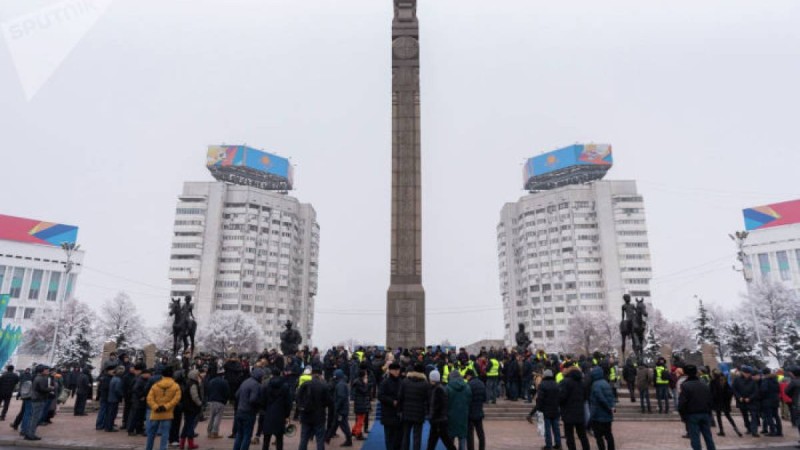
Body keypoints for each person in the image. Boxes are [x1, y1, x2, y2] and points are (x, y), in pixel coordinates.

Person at [678, 365, 716, 450]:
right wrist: (709, 412)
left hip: (692, 415)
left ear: (685, 373)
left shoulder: (685, 385)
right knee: (708, 437)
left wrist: (683, 416)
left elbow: (682, 403)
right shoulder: (704, 384)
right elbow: (710, 399)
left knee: (695, 439)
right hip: (705, 413)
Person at [146, 366, 181, 450]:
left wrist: (155, 407)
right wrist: (166, 407)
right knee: (165, 434)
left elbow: (149, 398)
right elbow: (176, 399)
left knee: (151, 433)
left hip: (155, 412)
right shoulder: (176, 386)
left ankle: (148, 448)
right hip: (167, 413)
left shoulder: (155, 385)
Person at [298, 367, 331, 450]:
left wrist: (301, 407)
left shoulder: (305, 384)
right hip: (319, 416)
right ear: (320, 375)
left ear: (311, 374)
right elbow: (329, 401)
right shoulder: (323, 386)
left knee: (304, 439)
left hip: (306, 415)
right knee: (320, 440)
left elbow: (298, 397)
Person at [398, 363, 430, 450]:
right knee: (417, 436)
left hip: (406, 412)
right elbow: (428, 399)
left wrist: (400, 410)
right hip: (419, 413)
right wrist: (427, 412)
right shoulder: (425, 384)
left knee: (406, 435)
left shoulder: (405, 381)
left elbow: (400, 397)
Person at [528, 369, 561, 450]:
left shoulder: (542, 385)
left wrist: (537, 410)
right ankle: (558, 444)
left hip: (546, 410)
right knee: (556, 428)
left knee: (547, 429)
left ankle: (548, 445)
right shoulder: (556, 384)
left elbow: (540, 399)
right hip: (556, 409)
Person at [233, 368, 265, 450]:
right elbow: (253, 399)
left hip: (240, 410)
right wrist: (259, 405)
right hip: (248, 412)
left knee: (239, 434)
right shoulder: (256, 385)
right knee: (247, 435)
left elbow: (236, 395)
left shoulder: (245, 382)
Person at [260, 368, 290, 450]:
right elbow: (288, 402)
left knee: (266, 439)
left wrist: (264, 409)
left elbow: (262, 400)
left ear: (272, 375)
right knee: (279, 439)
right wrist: (287, 414)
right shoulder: (285, 386)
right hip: (280, 414)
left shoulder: (267, 385)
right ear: (280, 374)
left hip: (268, 413)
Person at [427, 370, 456, 450]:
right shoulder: (438, 388)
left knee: (445, 441)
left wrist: (432, 416)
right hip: (439, 420)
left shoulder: (438, 389)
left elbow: (438, 406)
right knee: (435, 441)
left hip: (438, 421)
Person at [589, 366, 615, 450]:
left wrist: (607, 407)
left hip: (598, 415)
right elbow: (611, 397)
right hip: (607, 415)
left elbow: (600, 398)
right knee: (608, 435)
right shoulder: (606, 383)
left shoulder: (595, 384)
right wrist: (611, 407)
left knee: (599, 436)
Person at [709, 368, 741, 437]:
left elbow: (712, 393)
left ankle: (721, 431)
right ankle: (736, 428)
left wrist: (712, 401)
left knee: (718, 416)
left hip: (717, 402)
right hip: (725, 403)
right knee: (728, 416)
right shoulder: (724, 381)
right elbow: (730, 392)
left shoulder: (713, 382)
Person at [25, 365, 53, 441]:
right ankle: (31, 434)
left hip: (36, 399)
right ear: (42, 371)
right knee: (35, 418)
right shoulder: (41, 378)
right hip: (39, 399)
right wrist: (51, 388)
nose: (48, 371)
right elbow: (42, 389)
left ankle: (28, 433)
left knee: (33, 417)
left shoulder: (39, 377)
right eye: (46, 370)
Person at [379, 362, 403, 450]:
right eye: (395, 370)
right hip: (388, 413)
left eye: (398, 370)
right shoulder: (385, 382)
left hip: (399, 414)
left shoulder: (401, 382)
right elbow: (380, 396)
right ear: (390, 371)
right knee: (390, 438)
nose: (397, 372)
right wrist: (392, 401)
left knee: (399, 438)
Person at [447, 371, 471, 450]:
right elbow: (469, 401)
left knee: (450, 439)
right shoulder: (467, 387)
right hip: (463, 415)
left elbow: (445, 402)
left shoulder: (448, 387)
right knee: (462, 437)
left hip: (451, 416)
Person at [733, 366, 760, 437]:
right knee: (745, 416)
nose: (748, 375)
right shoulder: (737, 379)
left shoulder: (753, 380)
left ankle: (754, 431)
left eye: (749, 373)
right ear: (742, 373)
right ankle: (748, 428)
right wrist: (739, 397)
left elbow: (756, 391)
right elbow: (734, 389)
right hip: (741, 401)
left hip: (751, 401)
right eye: (746, 373)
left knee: (754, 416)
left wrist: (750, 398)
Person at [180, 369, 203, 449]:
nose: (199, 376)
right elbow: (195, 397)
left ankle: (182, 444)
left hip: (187, 408)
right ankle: (190, 444)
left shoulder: (188, 383)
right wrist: (200, 403)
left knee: (186, 426)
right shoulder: (193, 384)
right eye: (197, 375)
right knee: (190, 426)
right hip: (191, 408)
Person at [464, 370, 486, 450]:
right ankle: (482, 448)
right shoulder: (481, 383)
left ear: (469, 376)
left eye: (466, 377)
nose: (466, 379)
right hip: (479, 411)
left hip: (470, 413)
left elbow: (466, 399)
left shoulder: (469, 385)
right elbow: (484, 398)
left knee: (470, 434)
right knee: (480, 433)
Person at [205, 368, 229, 439]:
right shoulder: (224, 382)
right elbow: (227, 392)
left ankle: (209, 431)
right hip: (220, 401)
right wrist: (225, 400)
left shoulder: (211, 381)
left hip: (212, 401)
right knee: (217, 418)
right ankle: (214, 432)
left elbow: (208, 390)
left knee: (211, 417)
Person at [127, 368, 151, 436]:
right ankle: (131, 430)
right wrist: (141, 396)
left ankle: (139, 429)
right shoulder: (139, 380)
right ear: (145, 374)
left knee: (140, 416)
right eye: (149, 374)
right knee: (135, 416)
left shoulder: (143, 379)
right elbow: (135, 389)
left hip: (140, 402)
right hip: (137, 401)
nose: (150, 376)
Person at [759, 367, 782, 437]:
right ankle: (779, 431)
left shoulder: (766, 380)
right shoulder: (775, 379)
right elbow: (778, 389)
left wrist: (761, 397)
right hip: (775, 400)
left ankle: (772, 431)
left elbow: (764, 390)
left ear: (764, 373)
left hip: (767, 401)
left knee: (769, 416)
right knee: (776, 416)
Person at [351, 369, 370, 440]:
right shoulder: (359, 383)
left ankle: (354, 430)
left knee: (360, 418)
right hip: (360, 403)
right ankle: (358, 434)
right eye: (365, 374)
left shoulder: (357, 381)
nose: (366, 376)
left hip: (360, 403)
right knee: (360, 420)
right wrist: (366, 384)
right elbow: (364, 391)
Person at [106, 365, 125, 432]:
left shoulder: (113, 378)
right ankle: (109, 427)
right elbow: (117, 390)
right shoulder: (118, 380)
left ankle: (108, 426)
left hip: (111, 398)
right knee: (112, 413)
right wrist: (122, 395)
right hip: (114, 399)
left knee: (110, 413)